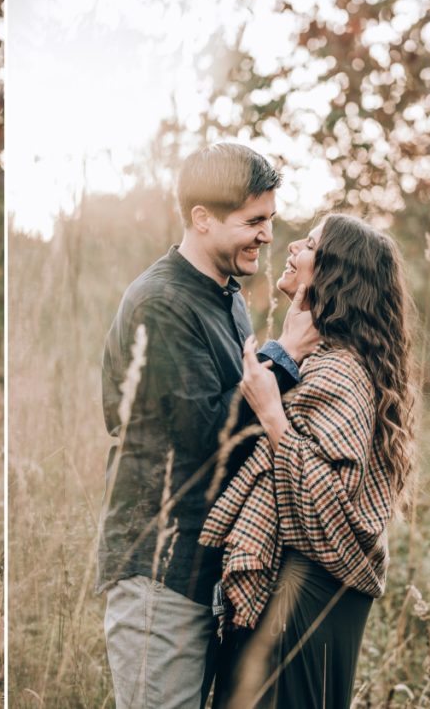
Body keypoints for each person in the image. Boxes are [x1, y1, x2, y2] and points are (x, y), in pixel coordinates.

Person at [97, 143, 320, 709]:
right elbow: (203, 438)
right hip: (160, 571)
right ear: (202, 218)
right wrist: (285, 354)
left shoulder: (227, 298)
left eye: (269, 220)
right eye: (254, 222)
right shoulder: (161, 302)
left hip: (205, 571)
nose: (268, 236)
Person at [200, 214, 418, 708]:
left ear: (334, 274)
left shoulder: (341, 372)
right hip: (302, 590)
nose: (292, 244)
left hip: (306, 594)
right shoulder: (325, 361)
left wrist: (273, 416)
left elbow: (330, 505)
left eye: (312, 244)